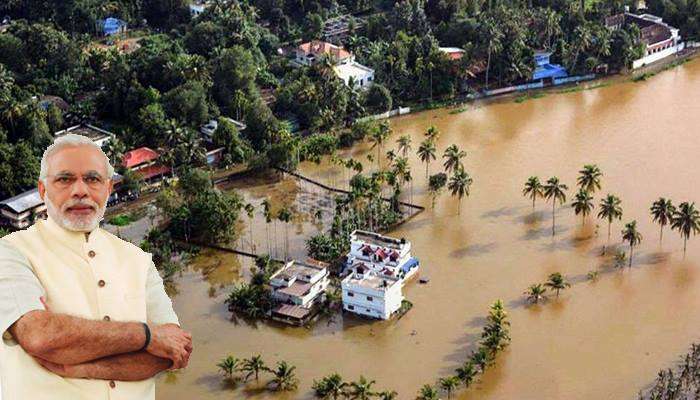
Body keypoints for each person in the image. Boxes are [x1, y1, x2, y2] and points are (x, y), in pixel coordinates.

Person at [0, 134, 192, 399]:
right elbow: (39, 335)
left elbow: (173, 352)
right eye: (65, 179)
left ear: (108, 188)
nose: (80, 191)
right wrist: (147, 336)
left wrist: (83, 366)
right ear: (44, 190)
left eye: (92, 179)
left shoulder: (137, 260)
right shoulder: (11, 252)